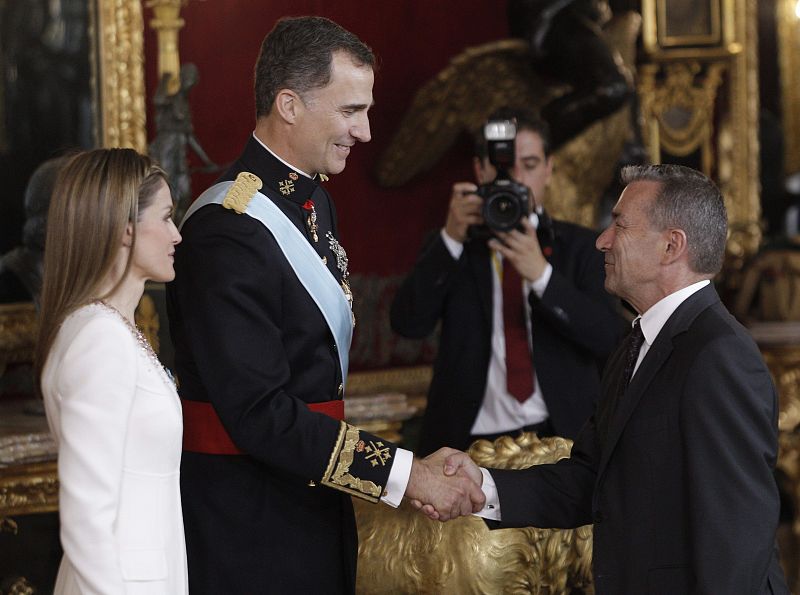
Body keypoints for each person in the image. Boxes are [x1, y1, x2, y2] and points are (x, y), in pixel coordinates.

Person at [166, 16, 483, 595]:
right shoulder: (227, 231)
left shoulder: (312, 205)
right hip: (251, 525)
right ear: (289, 105)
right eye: (349, 111)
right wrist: (405, 474)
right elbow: (260, 413)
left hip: (312, 498)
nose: (364, 132)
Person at [425, 164, 790, 594]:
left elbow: (736, 538)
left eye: (619, 225)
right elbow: (592, 480)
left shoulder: (719, 355)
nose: (602, 240)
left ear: (671, 246)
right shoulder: (637, 343)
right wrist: (481, 485)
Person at [391, 109, 623, 455]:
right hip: (466, 441)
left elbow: (611, 339)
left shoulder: (581, 247)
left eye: (529, 165)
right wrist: (452, 238)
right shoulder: (453, 247)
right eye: (504, 167)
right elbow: (407, 324)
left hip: (564, 436)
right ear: (480, 170)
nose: (516, 179)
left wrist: (542, 276)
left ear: (548, 169)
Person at [36, 148, 186, 594]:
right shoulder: (99, 340)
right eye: (165, 218)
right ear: (124, 230)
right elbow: (85, 515)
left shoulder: (107, 329)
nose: (176, 235)